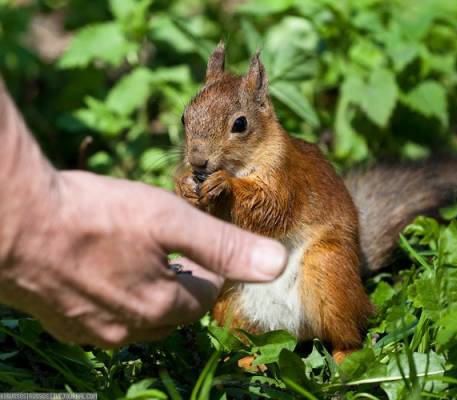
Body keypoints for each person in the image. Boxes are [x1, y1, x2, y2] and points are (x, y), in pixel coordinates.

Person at [0, 79, 287, 347]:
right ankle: (243, 348)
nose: (196, 158)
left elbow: (273, 212)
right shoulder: (206, 163)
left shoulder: (274, 158)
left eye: (236, 126)